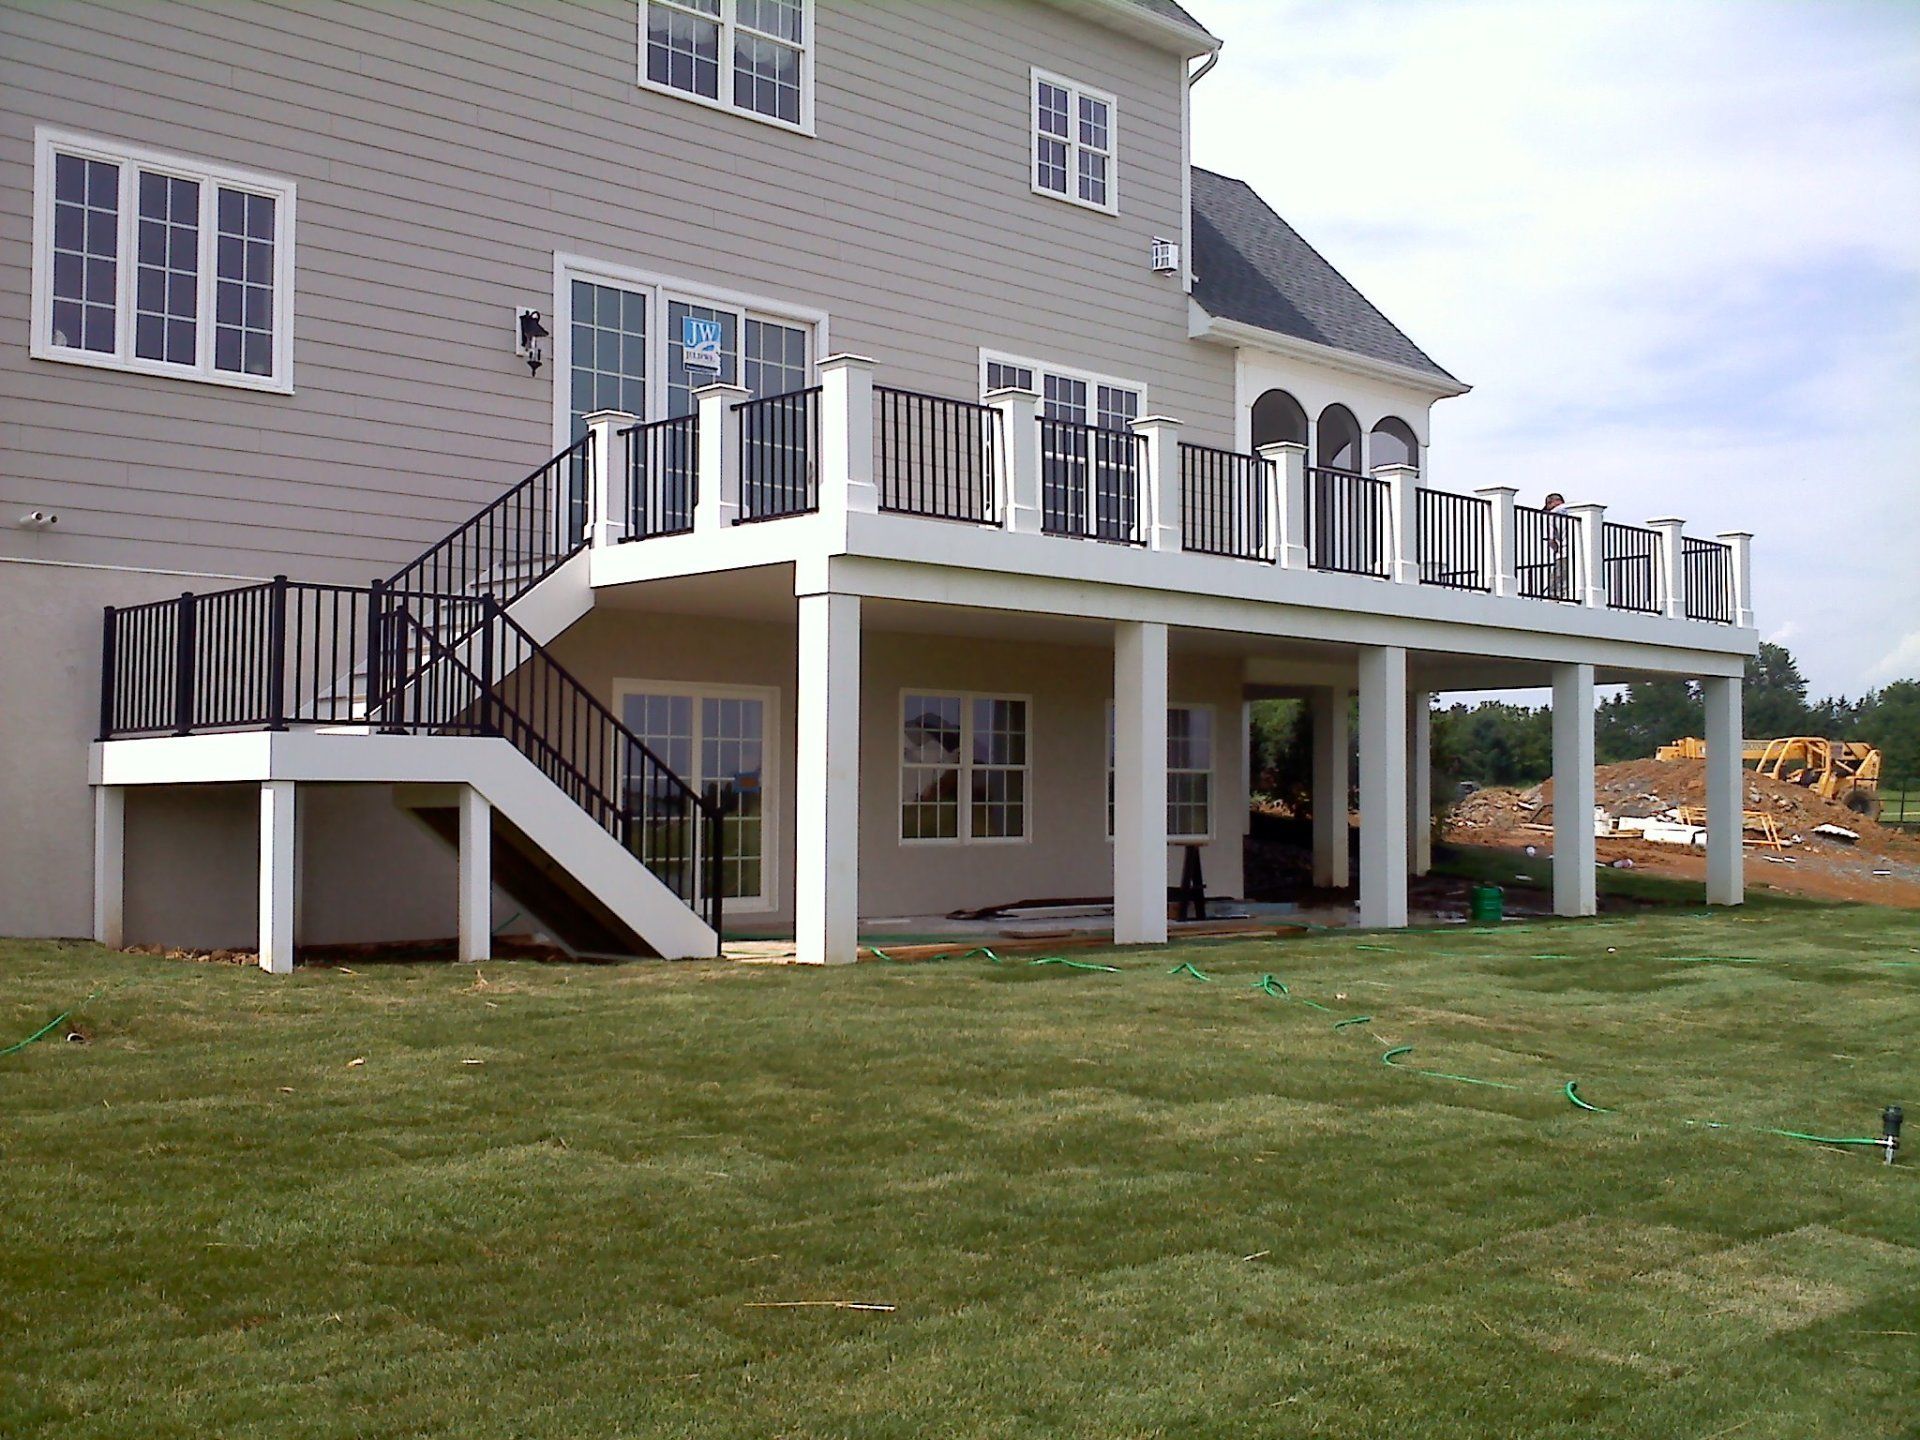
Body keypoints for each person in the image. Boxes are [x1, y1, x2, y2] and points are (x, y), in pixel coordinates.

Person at [1542, 492, 1570, 599]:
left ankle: (1557, 598)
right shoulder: (1574, 509)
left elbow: (1551, 540)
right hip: (1580, 552)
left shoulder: (1552, 514)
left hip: (1564, 552)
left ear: (1551, 503)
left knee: (1558, 578)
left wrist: (1556, 550)